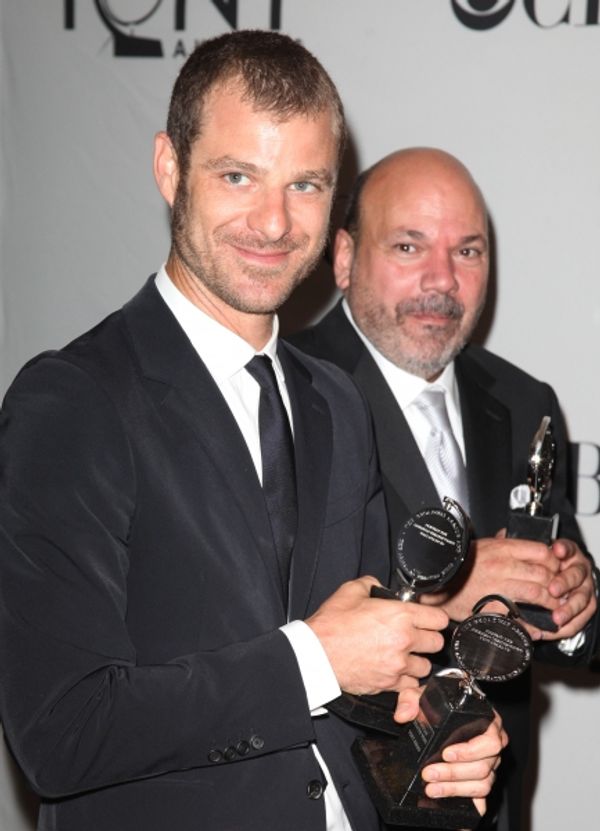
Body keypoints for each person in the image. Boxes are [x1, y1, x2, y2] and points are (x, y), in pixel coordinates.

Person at [0, 36, 505, 831]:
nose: (273, 221)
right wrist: (311, 657)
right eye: (239, 176)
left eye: (305, 184)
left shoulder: (337, 402)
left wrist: (441, 731)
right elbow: (60, 731)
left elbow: (368, 668)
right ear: (170, 168)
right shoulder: (74, 402)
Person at [291, 147, 599, 830]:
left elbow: (567, 607)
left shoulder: (522, 400)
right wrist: (439, 590)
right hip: (341, 803)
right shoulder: (287, 390)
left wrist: (576, 605)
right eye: (409, 246)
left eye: (468, 251)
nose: (442, 280)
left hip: (491, 809)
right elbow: (257, 619)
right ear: (343, 258)